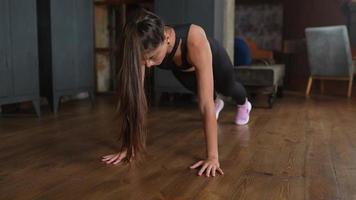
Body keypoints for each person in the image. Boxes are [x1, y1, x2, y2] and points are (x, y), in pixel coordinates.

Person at [102, 9, 252, 177]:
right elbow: (135, 96)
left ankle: (244, 103)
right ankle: (218, 102)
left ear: (166, 38)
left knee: (229, 88)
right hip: (182, 68)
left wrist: (212, 157)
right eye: (144, 60)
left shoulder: (195, 40)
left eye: (152, 58)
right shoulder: (145, 45)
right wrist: (129, 146)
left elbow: (204, 105)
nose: (149, 65)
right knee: (199, 91)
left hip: (214, 58)